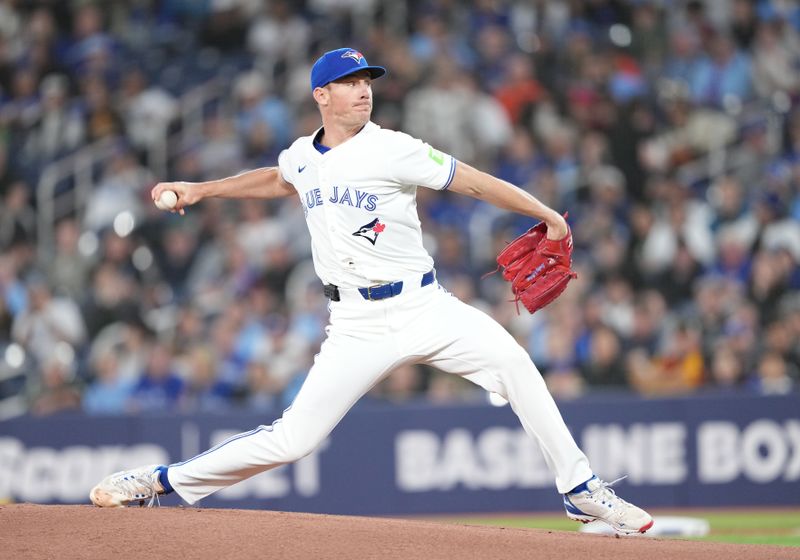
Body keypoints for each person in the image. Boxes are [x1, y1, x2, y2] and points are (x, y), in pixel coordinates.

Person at [89, 47, 653, 535]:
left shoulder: (393, 147)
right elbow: (279, 178)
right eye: (351, 84)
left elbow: (474, 181)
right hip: (354, 325)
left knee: (513, 361)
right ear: (321, 96)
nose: (364, 93)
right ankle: (160, 482)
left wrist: (546, 213)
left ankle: (579, 486)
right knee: (293, 440)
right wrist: (203, 189)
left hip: (424, 305)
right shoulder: (303, 155)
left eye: (367, 83)